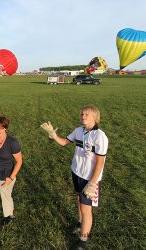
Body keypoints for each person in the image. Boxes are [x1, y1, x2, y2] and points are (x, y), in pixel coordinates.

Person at [40, 105, 109, 250]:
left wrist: (92, 183)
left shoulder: (99, 136)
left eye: (87, 114)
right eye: (82, 114)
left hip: (90, 178)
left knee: (86, 209)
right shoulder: (79, 131)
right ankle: (80, 223)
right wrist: (53, 135)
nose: (83, 116)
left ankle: (83, 240)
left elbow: (100, 162)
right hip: (76, 172)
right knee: (79, 199)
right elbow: (64, 143)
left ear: (95, 117)